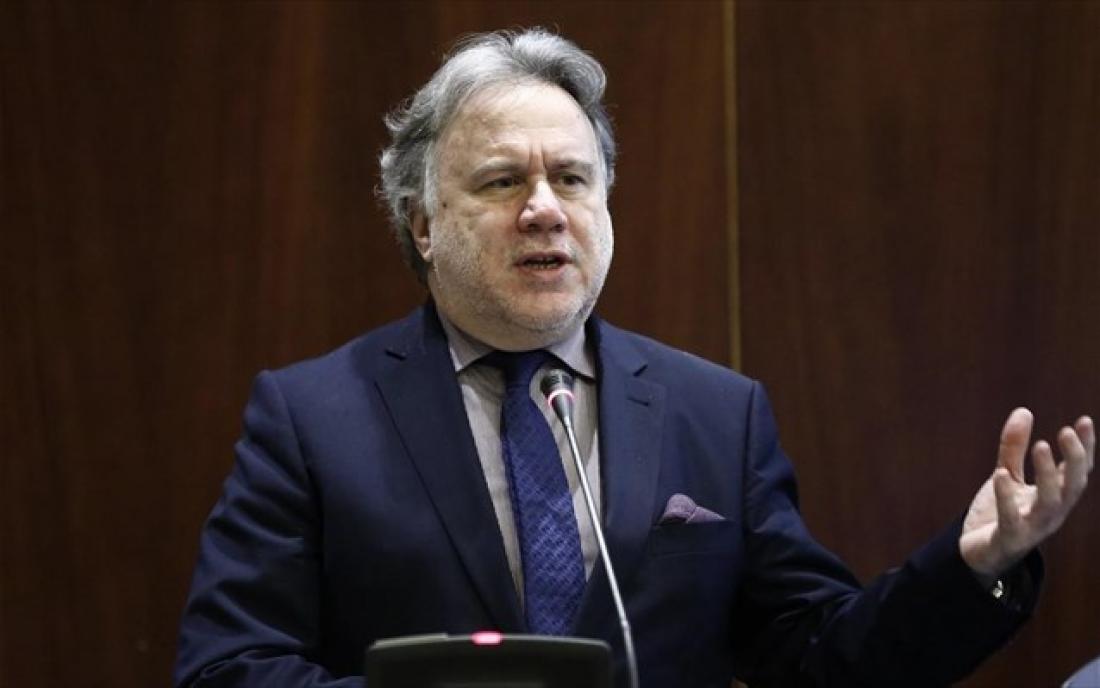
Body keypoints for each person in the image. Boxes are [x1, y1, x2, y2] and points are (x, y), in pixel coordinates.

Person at [174, 28, 1094, 688]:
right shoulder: (313, 418)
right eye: (502, 181)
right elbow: (228, 666)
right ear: (422, 224)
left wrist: (972, 566)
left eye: (572, 178)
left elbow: (822, 659)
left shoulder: (716, 414)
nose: (545, 209)